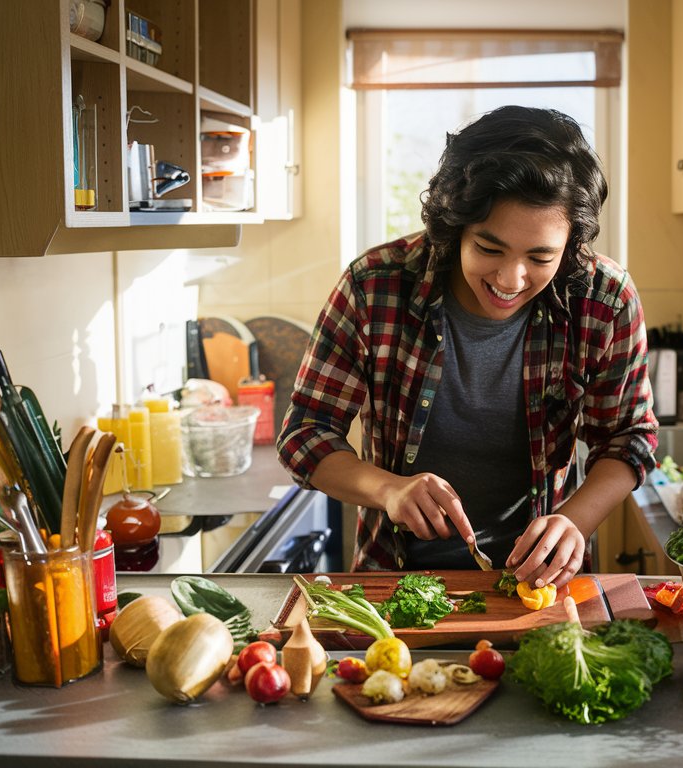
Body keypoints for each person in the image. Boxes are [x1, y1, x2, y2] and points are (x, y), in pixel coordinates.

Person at [277, 105, 657, 589]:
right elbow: (304, 435)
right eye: (489, 248)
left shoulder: (604, 299)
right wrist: (390, 489)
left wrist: (575, 519)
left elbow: (630, 437)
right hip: (395, 581)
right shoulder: (375, 286)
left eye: (540, 256)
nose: (509, 279)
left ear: (570, 243)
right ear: (455, 223)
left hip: (538, 588)